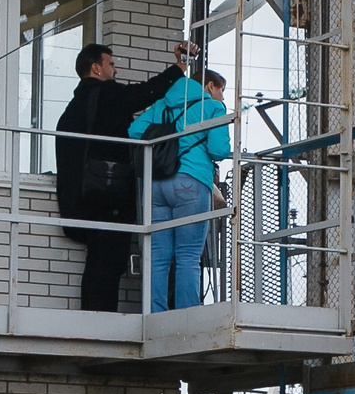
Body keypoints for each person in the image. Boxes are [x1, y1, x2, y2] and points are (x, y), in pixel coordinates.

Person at [53, 40, 194, 311]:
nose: (115, 70)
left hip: (82, 198)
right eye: (111, 64)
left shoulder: (72, 109)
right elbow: (146, 93)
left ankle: (94, 314)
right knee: (109, 259)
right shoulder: (107, 95)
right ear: (96, 68)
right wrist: (178, 67)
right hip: (109, 197)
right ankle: (101, 318)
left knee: (98, 259)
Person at [138, 66, 231, 313]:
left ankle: (154, 312)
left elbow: (135, 131)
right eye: (222, 91)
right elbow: (219, 149)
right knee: (188, 255)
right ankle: (186, 314)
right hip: (190, 182)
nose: (223, 97)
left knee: (158, 255)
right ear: (210, 86)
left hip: (157, 183)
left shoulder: (162, 105)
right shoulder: (212, 107)